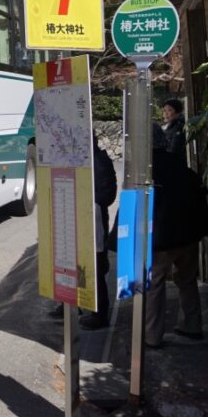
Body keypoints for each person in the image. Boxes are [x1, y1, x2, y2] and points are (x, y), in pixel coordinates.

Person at [48, 132, 118, 328]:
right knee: (71, 263)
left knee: (94, 267)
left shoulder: (97, 160)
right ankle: (71, 304)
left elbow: (107, 195)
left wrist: (84, 196)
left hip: (92, 220)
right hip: (75, 217)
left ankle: (99, 314)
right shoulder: (83, 158)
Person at [146, 123, 205, 348]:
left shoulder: (148, 170)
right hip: (189, 235)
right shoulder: (180, 165)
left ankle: (152, 335)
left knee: (155, 284)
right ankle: (192, 325)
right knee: (187, 280)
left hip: (162, 240)